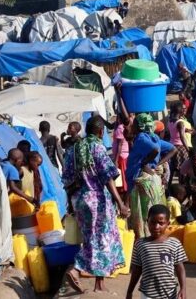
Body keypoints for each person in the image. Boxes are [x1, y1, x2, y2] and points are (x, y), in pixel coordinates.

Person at [61, 116, 129, 292]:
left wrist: (70, 203)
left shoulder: (73, 150)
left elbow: (66, 180)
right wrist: (120, 202)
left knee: (92, 239)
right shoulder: (97, 148)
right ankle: (76, 269)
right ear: (100, 132)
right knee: (102, 239)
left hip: (80, 201)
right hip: (97, 201)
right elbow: (108, 177)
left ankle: (100, 284)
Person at [125, 204, 187, 299]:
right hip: (148, 294)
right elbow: (136, 270)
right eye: (152, 222)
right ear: (147, 222)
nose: (156, 226)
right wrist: (129, 291)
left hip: (170, 293)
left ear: (168, 224)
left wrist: (183, 289)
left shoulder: (175, 244)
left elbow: (180, 268)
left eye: (161, 223)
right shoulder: (140, 244)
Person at [129, 149, 167, 238]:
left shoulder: (148, 175)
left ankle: (147, 236)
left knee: (147, 218)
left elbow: (156, 150)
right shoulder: (153, 175)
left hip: (148, 200)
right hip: (145, 199)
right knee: (145, 218)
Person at [167, 102, 194, 183]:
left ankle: (168, 188)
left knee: (171, 169)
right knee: (182, 170)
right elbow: (182, 137)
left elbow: (173, 132)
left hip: (171, 146)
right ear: (180, 111)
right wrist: (188, 149)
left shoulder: (170, 121)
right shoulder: (180, 123)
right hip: (180, 148)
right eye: (182, 109)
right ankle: (181, 187)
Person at [112, 113, 132, 195]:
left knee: (122, 177)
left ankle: (125, 195)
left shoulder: (120, 128)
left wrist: (116, 160)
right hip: (124, 154)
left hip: (121, 155)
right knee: (123, 176)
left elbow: (119, 144)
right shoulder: (126, 126)